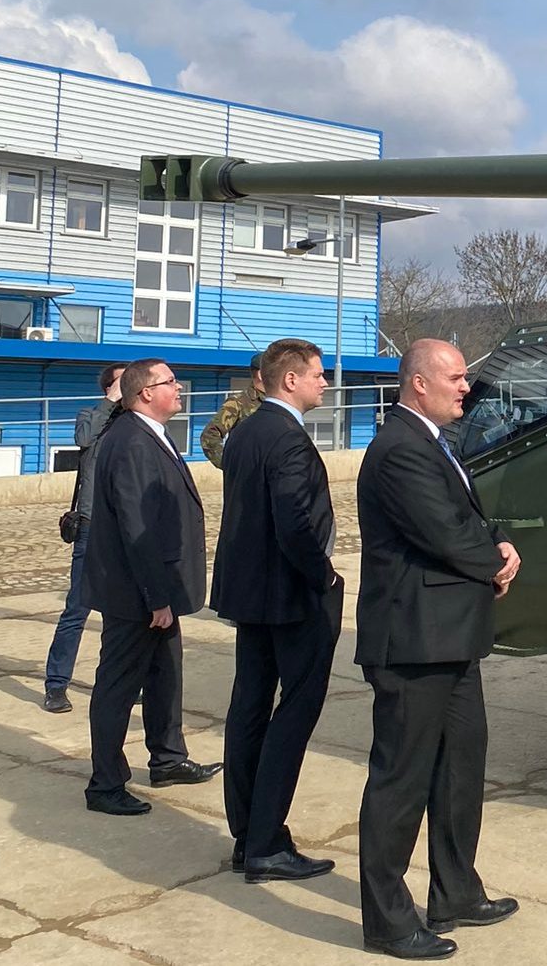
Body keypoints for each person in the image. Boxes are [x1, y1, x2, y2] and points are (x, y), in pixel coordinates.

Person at [355, 339, 521, 960]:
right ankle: (389, 921)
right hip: (413, 643)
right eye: (454, 377)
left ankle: (455, 891)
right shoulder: (398, 448)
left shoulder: (434, 443)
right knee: (401, 780)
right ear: (418, 383)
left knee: (459, 771)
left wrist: (500, 544)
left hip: (452, 639)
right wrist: (493, 564)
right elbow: (442, 532)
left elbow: (468, 517)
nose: (465, 387)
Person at [212, 338, 343, 882]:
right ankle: (266, 841)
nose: (325, 383)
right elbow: (295, 521)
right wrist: (325, 576)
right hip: (290, 597)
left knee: (248, 709)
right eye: (317, 374)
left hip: (252, 595)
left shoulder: (244, 432)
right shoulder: (286, 439)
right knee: (295, 712)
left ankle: (249, 834)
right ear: (289, 380)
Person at [82, 358, 221, 816]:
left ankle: (168, 758)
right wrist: (156, 598)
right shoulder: (130, 442)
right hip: (136, 594)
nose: (179, 387)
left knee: (166, 676)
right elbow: (135, 526)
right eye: (170, 382)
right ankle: (105, 784)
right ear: (145, 393)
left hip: (156, 590)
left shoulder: (149, 434)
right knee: (118, 687)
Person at [42, 362, 126, 713]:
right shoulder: (90, 416)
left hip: (125, 528)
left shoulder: (134, 422)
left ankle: (116, 681)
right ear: (108, 386)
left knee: (120, 615)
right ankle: (56, 685)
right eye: (122, 381)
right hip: (92, 525)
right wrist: (110, 401)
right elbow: (82, 440)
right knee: (77, 608)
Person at [200, 356, 265, 468]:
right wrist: (232, 466)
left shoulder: (280, 402)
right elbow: (209, 436)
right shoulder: (238, 403)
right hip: (248, 480)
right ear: (260, 374)